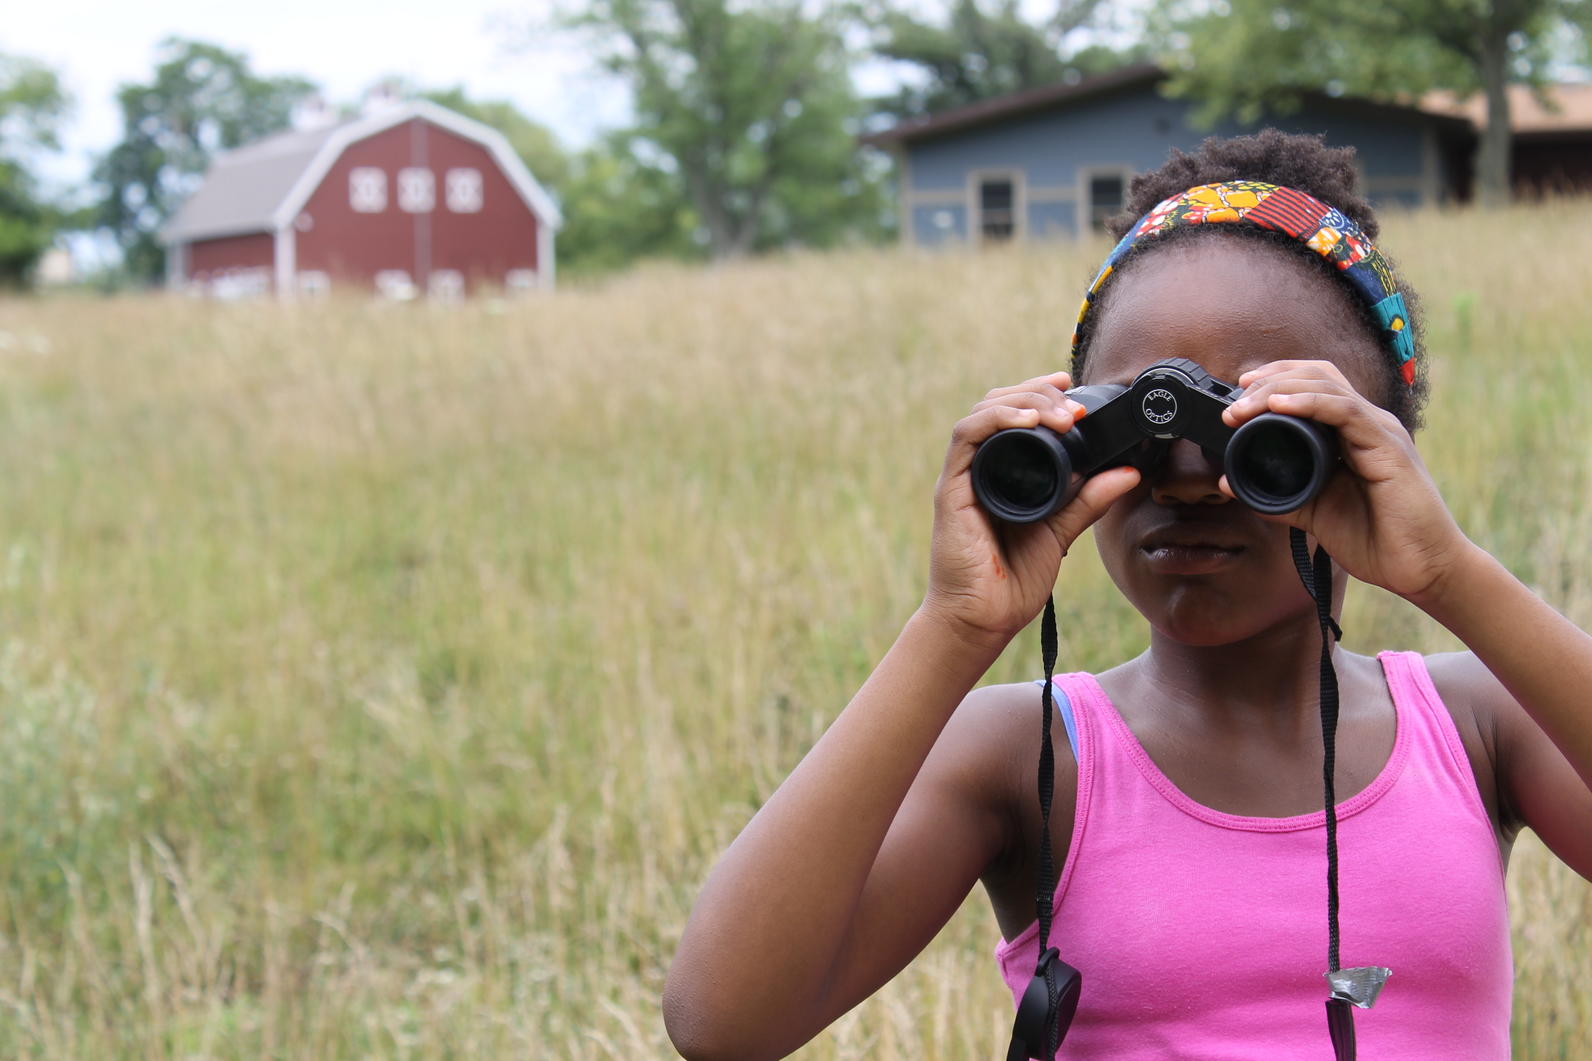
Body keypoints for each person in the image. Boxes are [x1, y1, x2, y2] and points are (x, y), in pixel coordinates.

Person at [661, 130, 1592, 1060]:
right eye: (1129, 430)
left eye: (1257, 435)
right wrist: (953, 626)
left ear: (1373, 443)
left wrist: (1450, 574)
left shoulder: (1476, 723)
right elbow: (725, 1023)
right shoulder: (1030, 755)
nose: (1187, 478)